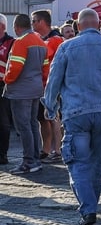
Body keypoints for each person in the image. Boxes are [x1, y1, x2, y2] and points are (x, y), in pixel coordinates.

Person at [43, 8, 101, 225]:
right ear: (99, 24)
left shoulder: (66, 48)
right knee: (97, 161)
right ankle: (92, 206)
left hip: (76, 113)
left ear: (79, 26)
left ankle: (88, 210)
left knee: (78, 162)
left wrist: (50, 107)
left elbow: (54, 81)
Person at [3, 14, 49, 174]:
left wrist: (6, 80)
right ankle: (35, 159)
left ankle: (29, 161)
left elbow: (15, 67)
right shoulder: (40, 41)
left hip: (20, 91)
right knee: (32, 124)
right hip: (35, 89)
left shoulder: (21, 42)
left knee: (24, 127)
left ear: (16, 27)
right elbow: (45, 68)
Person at [31, 9, 64, 164]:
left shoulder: (55, 40)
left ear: (42, 22)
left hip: (52, 85)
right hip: (42, 85)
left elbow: (42, 54)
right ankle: (46, 149)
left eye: (34, 21)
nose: (32, 24)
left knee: (53, 117)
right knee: (43, 119)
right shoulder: (44, 39)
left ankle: (57, 151)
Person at [0, 13, 15, 165]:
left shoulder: (12, 43)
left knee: (4, 123)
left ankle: (2, 154)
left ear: (2, 26)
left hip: (4, 86)